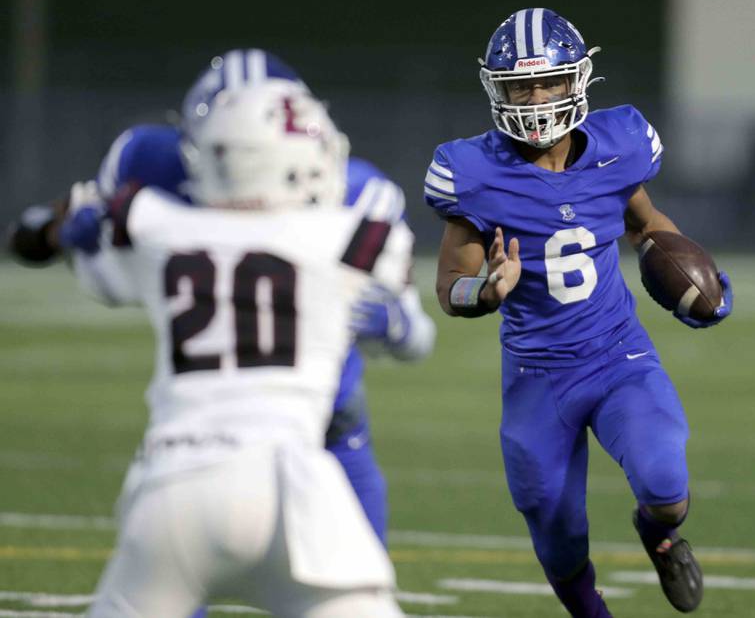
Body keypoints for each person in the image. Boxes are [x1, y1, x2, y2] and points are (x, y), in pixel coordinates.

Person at [8, 49, 436, 550]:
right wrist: (70, 236)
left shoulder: (359, 196)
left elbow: (416, 333)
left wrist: (398, 323)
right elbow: (44, 242)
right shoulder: (152, 178)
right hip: (206, 426)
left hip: (306, 425)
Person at [424, 8, 733, 617]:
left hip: (618, 355)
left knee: (666, 485)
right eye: (521, 85)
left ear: (577, 80)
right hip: (538, 377)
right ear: (497, 89)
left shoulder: (617, 146)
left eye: (549, 82)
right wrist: (485, 292)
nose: (536, 98)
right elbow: (448, 285)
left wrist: (693, 285)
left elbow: (648, 226)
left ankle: (659, 535)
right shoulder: (474, 173)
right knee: (558, 533)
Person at [66, 75, 409, 615]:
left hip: (172, 483)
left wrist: (82, 235)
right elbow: (402, 309)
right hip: (293, 484)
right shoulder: (349, 237)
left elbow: (100, 273)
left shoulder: (155, 225)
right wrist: (398, 324)